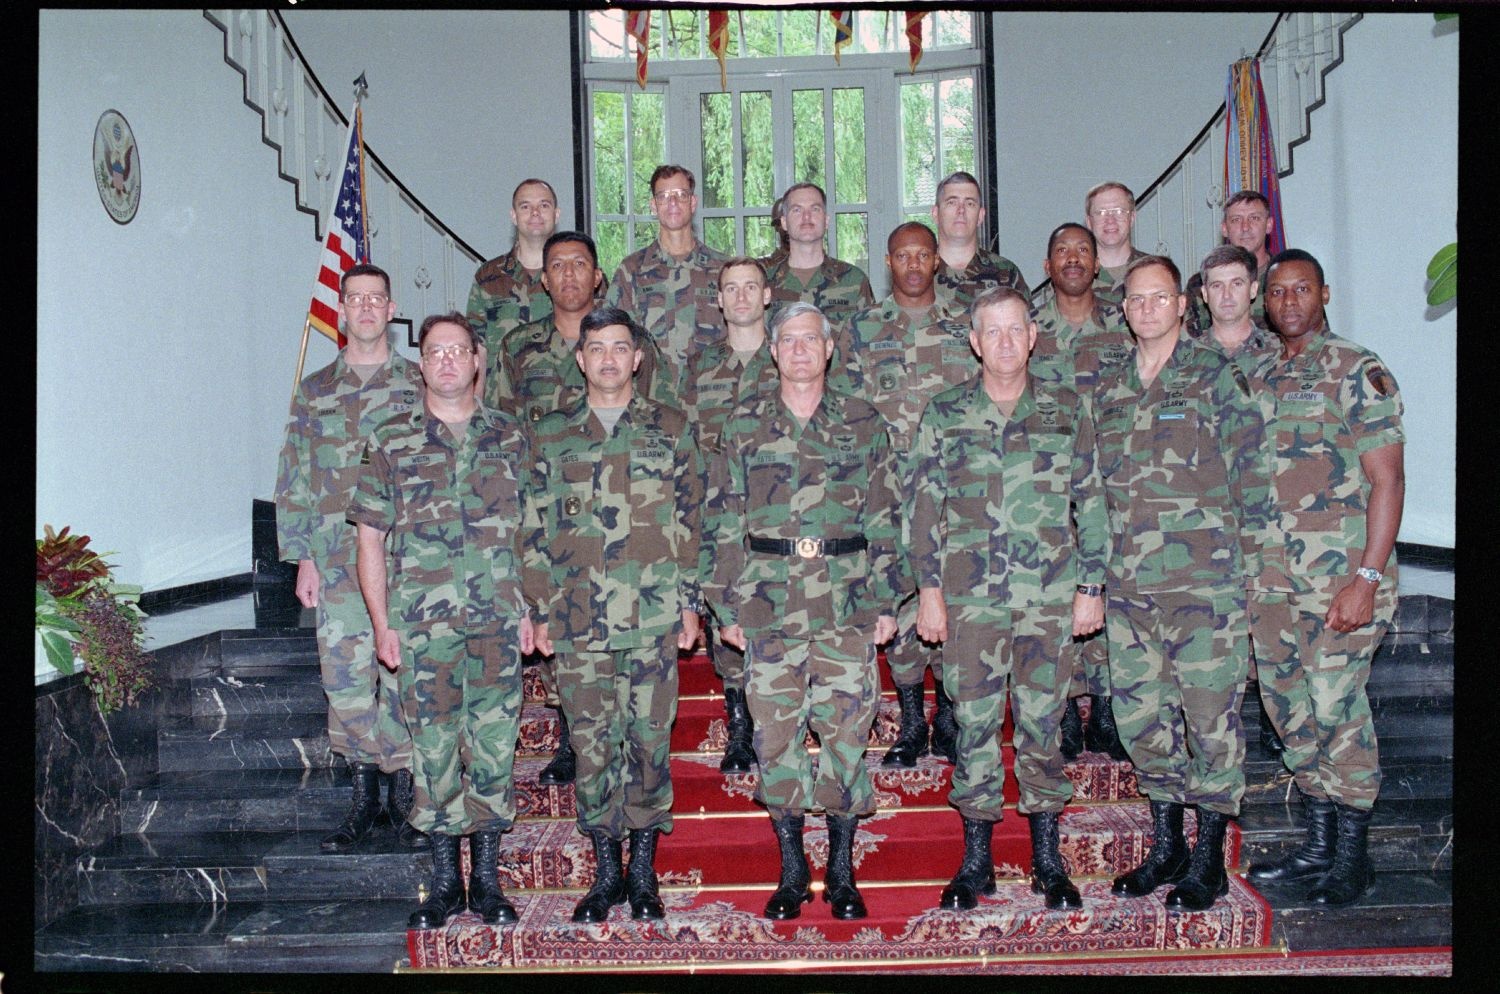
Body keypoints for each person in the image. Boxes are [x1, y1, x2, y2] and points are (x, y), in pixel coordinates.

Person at [909, 287, 1108, 912]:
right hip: (970, 602)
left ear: (1032, 337)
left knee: (1043, 726)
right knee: (971, 725)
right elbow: (921, 509)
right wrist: (929, 592)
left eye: (1013, 330)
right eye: (989, 332)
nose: (1002, 342)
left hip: (1048, 598)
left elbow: (1092, 499)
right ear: (974, 342)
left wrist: (1091, 586)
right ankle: (977, 862)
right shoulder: (944, 414)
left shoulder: (1065, 409)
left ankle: (1048, 860)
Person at [710, 301, 901, 922]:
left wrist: (884, 600)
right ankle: (793, 871)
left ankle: (841, 873)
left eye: (809, 339)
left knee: (847, 732)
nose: (798, 350)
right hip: (767, 604)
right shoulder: (742, 425)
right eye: (787, 339)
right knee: (775, 736)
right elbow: (719, 521)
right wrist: (726, 604)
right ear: (772, 350)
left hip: (846, 601)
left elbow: (887, 518)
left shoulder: (863, 421)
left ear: (828, 349)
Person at [348, 312, 534, 929]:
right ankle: (443, 883)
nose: (448, 361)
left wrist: (534, 609)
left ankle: (486, 879)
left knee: (493, 746)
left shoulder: (511, 435)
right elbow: (369, 538)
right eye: (435, 352)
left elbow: (537, 534)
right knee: (431, 751)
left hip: (498, 623)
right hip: (423, 626)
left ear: (478, 361)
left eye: (458, 350)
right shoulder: (390, 438)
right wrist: (381, 624)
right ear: (421, 363)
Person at [1094, 255, 1268, 911]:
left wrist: (1253, 580)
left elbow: (1252, 479)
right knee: (1145, 721)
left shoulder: (1214, 376)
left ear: (1181, 303)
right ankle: (1166, 846)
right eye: (1135, 299)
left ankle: (1209, 862)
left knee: (1209, 722)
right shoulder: (1110, 389)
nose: (1146, 308)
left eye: (1157, 297)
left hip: (1205, 588)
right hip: (1131, 590)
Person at [526, 306, 705, 923]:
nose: (607, 358)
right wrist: (540, 609)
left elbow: (691, 522)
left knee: (651, 744)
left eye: (619, 347)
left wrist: (689, 603)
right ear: (580, 359)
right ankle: (606, 874)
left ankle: (646, 874)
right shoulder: (549, 433)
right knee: (593, 746)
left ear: (637, 358)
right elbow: (532, 531)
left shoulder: (672, 427)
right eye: (595, 347)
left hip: (652, 619)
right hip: (577, 622)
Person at [485, 230, 675, 787]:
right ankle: (572, 735)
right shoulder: (519, 345)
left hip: (631, 518)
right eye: (558, 267)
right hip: (555, 505)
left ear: (598, 275)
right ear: (544, 280)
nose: (569, 275)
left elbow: (658, 415)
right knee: (568, 652)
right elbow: (502, 424)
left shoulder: (633, 344)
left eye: (581, 265)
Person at [1246, 249, 1404, 907]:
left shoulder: (1355, 369)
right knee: (1291, 714)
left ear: (1324, 293)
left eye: (1300, 289)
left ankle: (1353, 858)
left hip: (1337, 580)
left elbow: (1387, 480)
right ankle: (1316, 847)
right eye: (1277, 291)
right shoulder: (1255, 375)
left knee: (1338, 711)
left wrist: (1366, 578)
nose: (1288, 301)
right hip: (1270, 585)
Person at [275, 263, 425, 854]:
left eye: (376, 299)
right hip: (336, 562)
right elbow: (294, 477)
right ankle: (364, 799)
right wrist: (302, 558)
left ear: (391, 311)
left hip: (407, 561)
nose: (365, 308)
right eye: (355, 298)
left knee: (404, 674)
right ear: (342, 311)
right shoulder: (315, 391)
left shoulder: (419, 384)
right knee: (347, 680)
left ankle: (408, 798)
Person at [840, 221, 976, 767]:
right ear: (888, 262)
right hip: (887, 491)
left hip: (956, 490)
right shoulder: (863, 328)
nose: (914, 264)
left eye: (924, 254)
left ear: (937, 260)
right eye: (903, 256)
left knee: (953, 599)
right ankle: (912, 720)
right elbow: (848, 414)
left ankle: (948, 714)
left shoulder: (967, 323)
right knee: (895, 599)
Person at [1028, 222, 1133, 762]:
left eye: (1083, 251)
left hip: (1113, 485)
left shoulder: (1126, 326)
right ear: (1046, 267)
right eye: (1061, 250)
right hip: (1045, 489)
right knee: (1054, 596)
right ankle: (1066, 707)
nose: (1072, 259)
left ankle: (1110, 707)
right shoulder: (1025, 330)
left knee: (1110, 591)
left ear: (1098, 265)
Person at [680, 257, 783, 775]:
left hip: (780, 513)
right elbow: (686, 446)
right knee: (729, 616)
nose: (741, 297)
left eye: (751, 287)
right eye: (730, 289)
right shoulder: (699, 368)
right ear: (718, 301)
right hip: (717, 515)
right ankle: (739, 726)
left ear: (767, 296)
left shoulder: (789, 355)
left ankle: (782, 729)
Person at [605, 164, 729, 380]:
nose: (672, 202)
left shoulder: (722, 269)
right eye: (663, 196)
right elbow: (613, 337)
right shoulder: (632, 269)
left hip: (712, 398)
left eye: (681, 195)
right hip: (650, 398)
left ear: (693, 202)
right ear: (653, 205)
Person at [467, 178, 561, 362]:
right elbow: (476, 349)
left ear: (556, 215)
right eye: (525, 206)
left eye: (544, 205)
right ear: (513, 215)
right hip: (502, 390)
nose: (535, 213)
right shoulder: (488, 276)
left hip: (564, 390)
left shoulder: (578, 275)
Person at [762, 181, 874, 334]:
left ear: (826, 221)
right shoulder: (765, 282)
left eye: (815, 209)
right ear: (784, 223)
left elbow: (868, 341)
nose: (806, 217)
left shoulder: (854, 280)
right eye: (797, 210)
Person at [931, 170, 1029, 310]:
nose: (961, 210)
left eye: (970, 203)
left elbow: (1025, 327)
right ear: (935, 214)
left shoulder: (1007, 274)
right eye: (952, 202)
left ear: (981, 216)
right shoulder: (919, 272)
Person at [1185, 190, 1278, 335]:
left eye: (1254, 218)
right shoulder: (1200, 283)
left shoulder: (1284, 278)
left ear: (1269, 225)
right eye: (1236, 220)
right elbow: (1189, 343)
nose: (1245, 227)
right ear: (1224, 229)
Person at [1083, 181, 1149, 301]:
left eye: (1119, 211)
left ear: (1132, 218)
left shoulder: (1154, 270)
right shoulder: (1072, 277)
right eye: (1101, 213)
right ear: (1089, 222)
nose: (1110, 220)